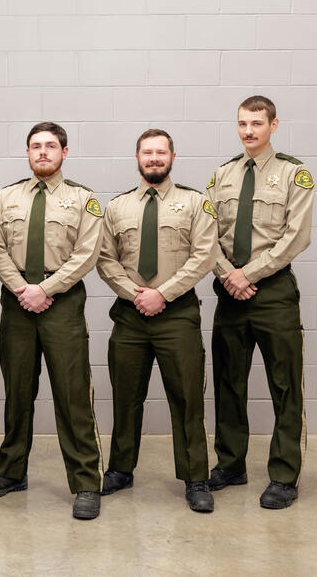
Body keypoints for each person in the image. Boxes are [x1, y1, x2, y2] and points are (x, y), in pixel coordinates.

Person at [0, 121, 105, 520]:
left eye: (51, 146)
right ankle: (12, 472)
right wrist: (22, 289)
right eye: (36, 146)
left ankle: (85, 481)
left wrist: (46, 289)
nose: (43, 152)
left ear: (64, 153)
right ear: (28, 153)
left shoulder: (83, 200)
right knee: (17, 392)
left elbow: (87, 253)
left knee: (72, 396)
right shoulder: (6, 197)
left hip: (62, 304)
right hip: (17, 303)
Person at [95, 129, 217, 513]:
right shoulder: (117, 208)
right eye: (147, 152)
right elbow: (105, 258)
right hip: (130, 317)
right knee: (126, 396)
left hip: (177, 315)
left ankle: (196, 477)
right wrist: (137, 295)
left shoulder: (196, 203)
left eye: (160, 152)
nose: (154, 158)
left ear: (173, 156)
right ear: (137, 157)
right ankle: (120, 468)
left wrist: (162, 294)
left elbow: (205, 255)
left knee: (186, 399)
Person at [206, 96, 314, 510]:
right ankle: (231, 464)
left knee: (285, 386)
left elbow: (296, 236)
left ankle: (284, 475)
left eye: (256, 123)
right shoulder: (223, 175)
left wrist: (247, 275)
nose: (248, 131)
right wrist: (226, 274)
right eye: (242, 124)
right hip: (229, 291)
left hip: (273, 294)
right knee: (228, 382)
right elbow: (207, 234)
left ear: (273, 124)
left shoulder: (294, 174)